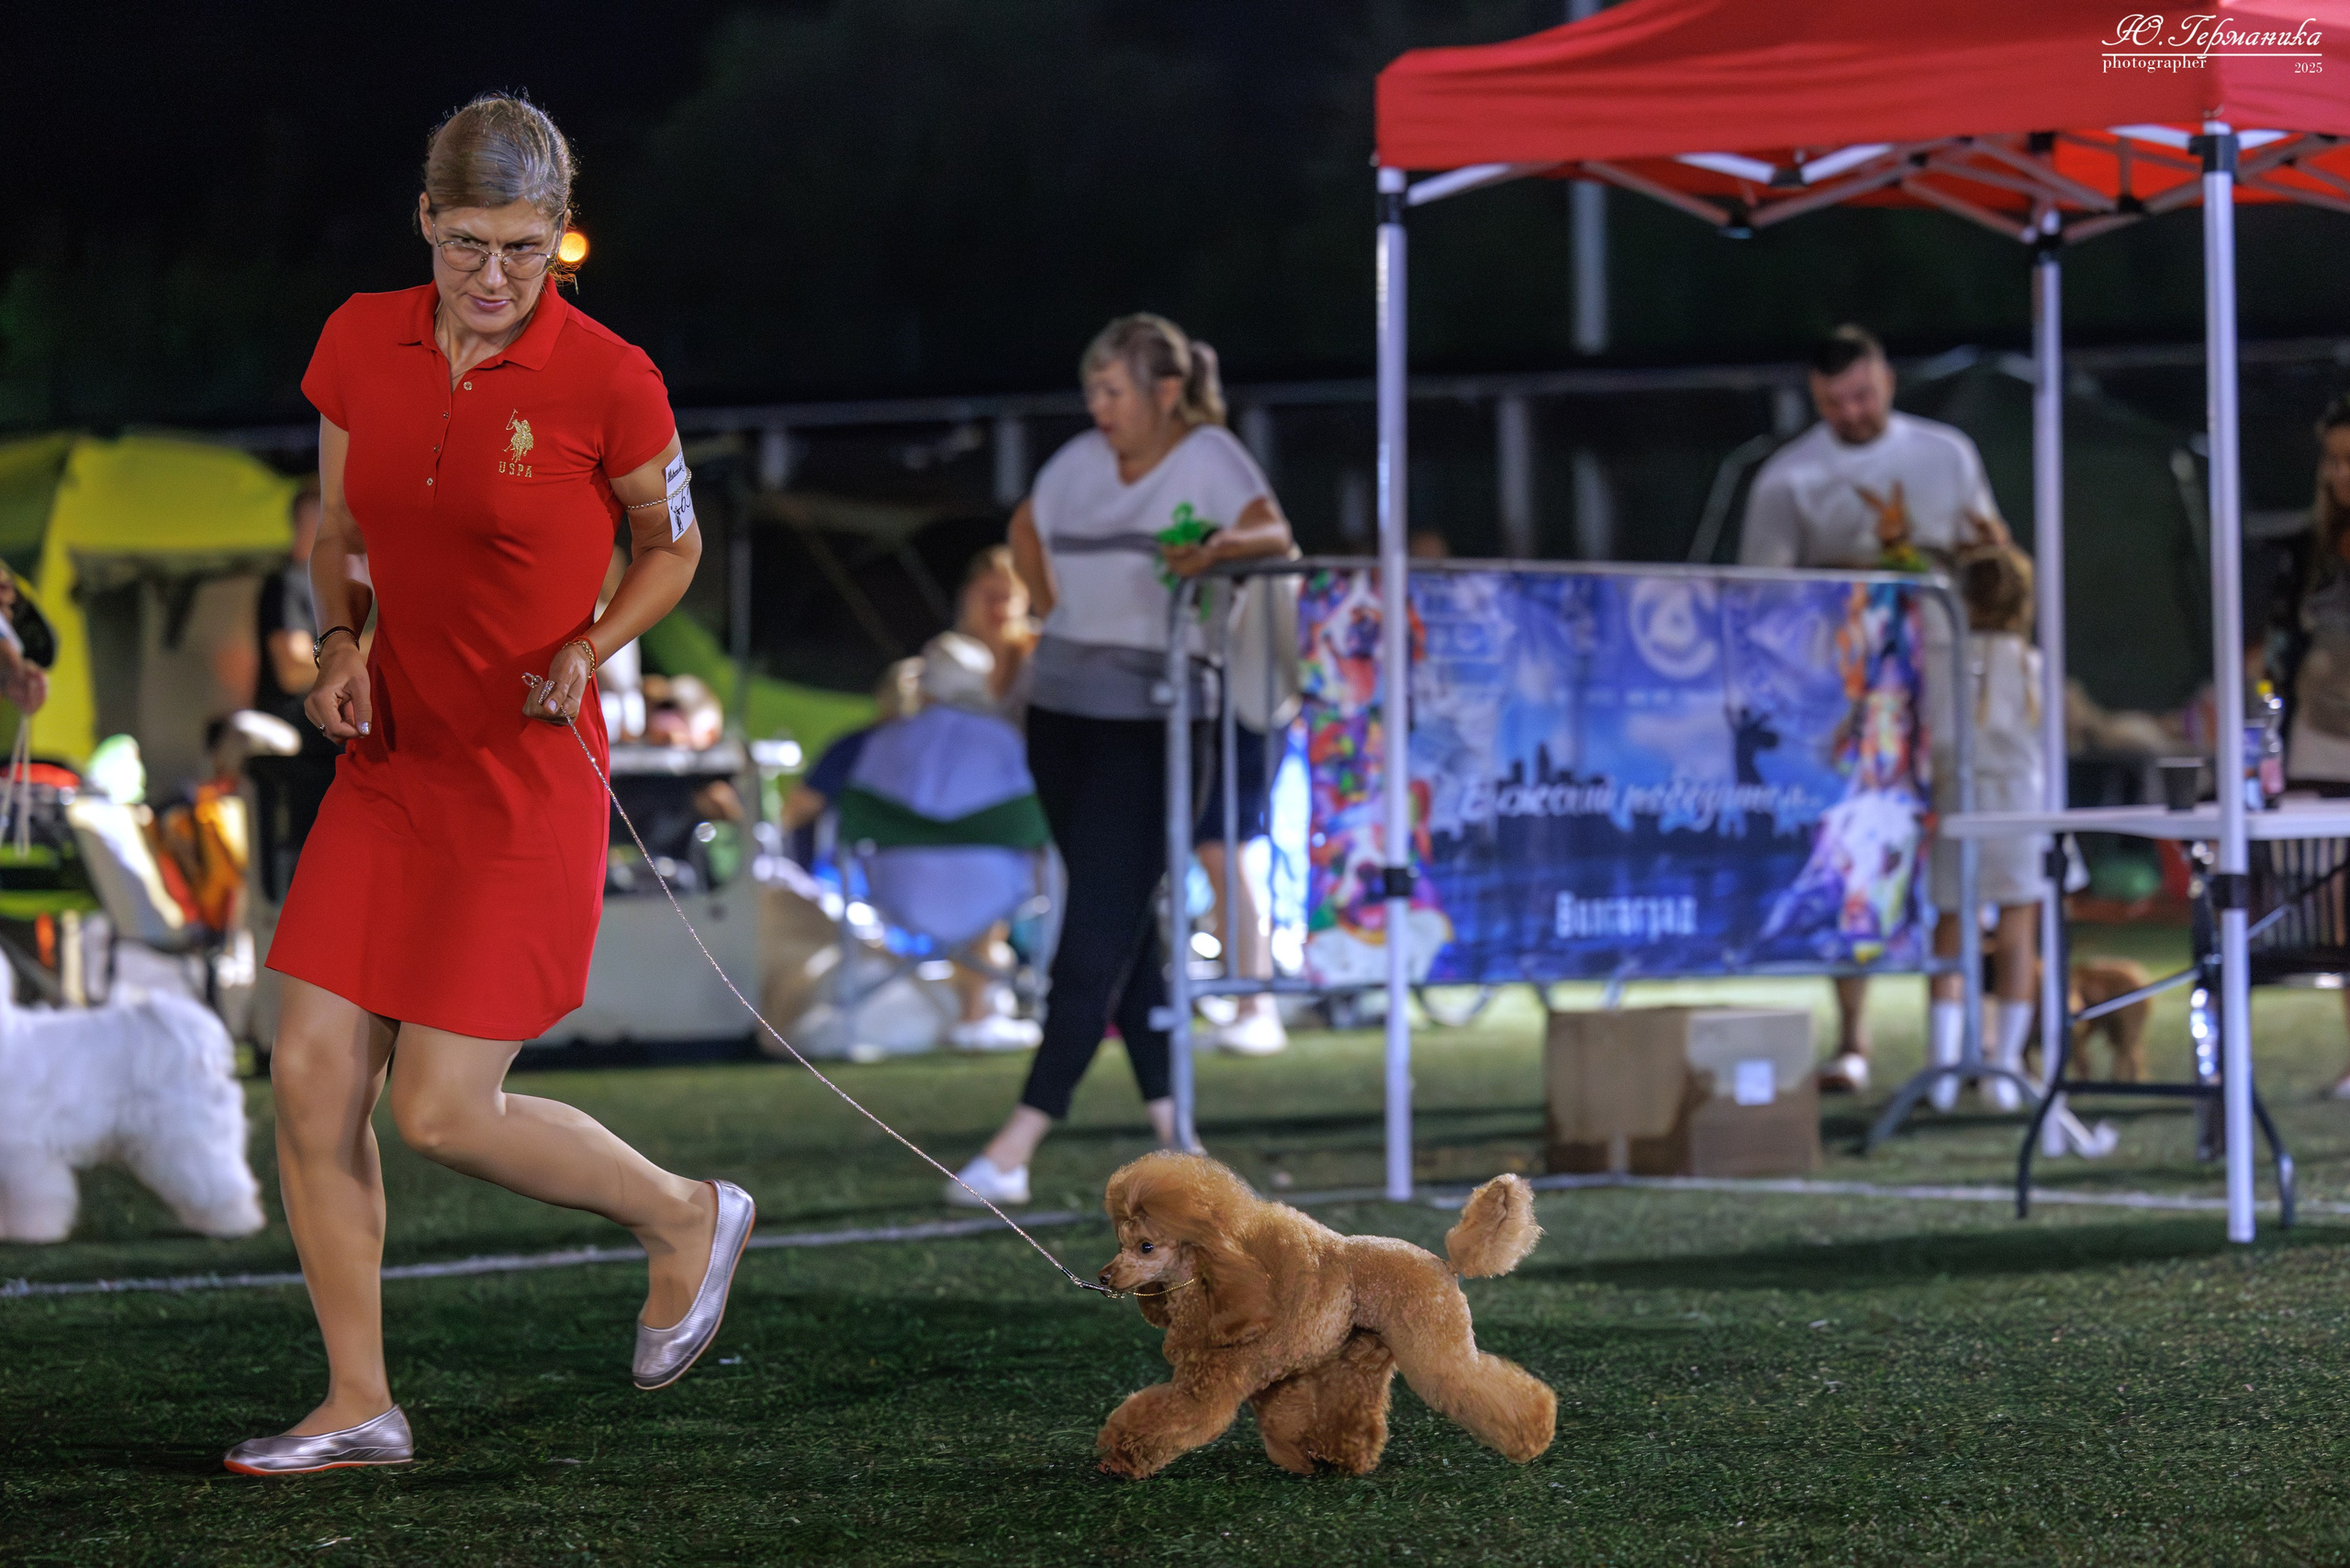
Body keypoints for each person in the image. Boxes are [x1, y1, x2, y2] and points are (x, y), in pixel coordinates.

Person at [228, 95, 754, 1477]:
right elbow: (341, 528)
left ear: (557, 238)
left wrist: (592, 643)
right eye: (469, 245)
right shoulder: (358, 339)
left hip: (524, 772)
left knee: (444, 1110)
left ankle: (684, 1216)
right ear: (426, 221)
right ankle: (359, 1402)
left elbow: (672, 544)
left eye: (527, 250)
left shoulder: (612, 377)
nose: (496, 280)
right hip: (392, 762)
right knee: (309, 1075)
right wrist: (341, 641)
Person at [948, 313, 1296, 1206]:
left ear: (1164, 392)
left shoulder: (1209, 457)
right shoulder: (1073, 465)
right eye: (1092, 390)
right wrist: (1054, 605)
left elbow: (1274, 540)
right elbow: (1027, 523)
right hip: (1064, 711)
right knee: (1124, 915)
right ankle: (1176, 1133)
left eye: (1112, 391)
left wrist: (1211, 554)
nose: (1097, 407)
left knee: (1098, 919)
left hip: (1163, 715)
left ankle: (1018, 1136)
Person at [1740, 324, 2007, 1093]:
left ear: (1887, 378)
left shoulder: (1945, 453)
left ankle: (1958, 1038)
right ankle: (1853, 1042)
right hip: (1853, 703)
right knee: (1855, 860)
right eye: (1834, 402)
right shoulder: (1790, 478)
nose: (1852, 412)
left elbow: (1989, 550)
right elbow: (1764, 597)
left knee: (1961, 853)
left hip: (1952, 684)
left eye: (1861, 395)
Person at [1926, 543, 2047, 1112]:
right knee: (2019, 935)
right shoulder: (2032, 665)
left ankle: (1944, 1071)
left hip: (1960, 803)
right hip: (2021, 808)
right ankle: (2003, 1071)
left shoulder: (1937, 662)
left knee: (1952, 929)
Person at [2277, 396, 2350, 1097]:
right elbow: (2279, 640)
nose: (2339, 474)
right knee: (2337, 906)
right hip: (2322, 739)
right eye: (2331, 460)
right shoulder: (2311, 547)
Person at [955, 544, 1037, 721]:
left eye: (1007, 597)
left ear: (1027, 600)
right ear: (967, 597)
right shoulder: (946, 659)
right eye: (989, 596)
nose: (999, 608)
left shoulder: (1045, 658)